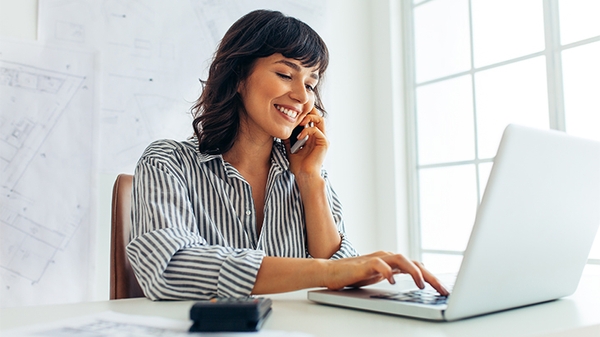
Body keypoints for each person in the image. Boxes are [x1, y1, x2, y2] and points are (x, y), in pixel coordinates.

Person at [127, 9, 448, 301]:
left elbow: (343, 273)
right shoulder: (167, 162)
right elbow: (168, 268)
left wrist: (310, 179)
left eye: (311, 84)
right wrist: (329, 272)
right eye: (285, 74)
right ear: (238, 76)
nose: (300, 96)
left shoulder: (306, 174)